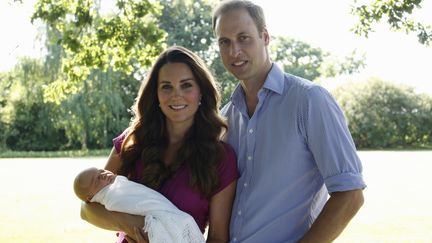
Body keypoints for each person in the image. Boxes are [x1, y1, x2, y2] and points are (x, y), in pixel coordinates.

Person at [212, 1, 366, 242]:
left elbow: (350, 195)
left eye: (244, 38)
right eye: (225, 42)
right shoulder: (225, 118)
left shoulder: (309, 100)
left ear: (265, 37)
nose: (234, 51)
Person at [80, 46, 238, 243]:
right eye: (166, 86)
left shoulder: (221, 158)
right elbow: (87, 209)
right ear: (155, 95)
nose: (176, 95)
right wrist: (134, 226)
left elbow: (217, 238)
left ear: (201, 93)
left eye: (186, 85)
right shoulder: (132, 141)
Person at [73, 167, 205, 243]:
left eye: (101, 171)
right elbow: (84, 211)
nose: (103, 175)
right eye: (96, 179)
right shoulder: (111, 197)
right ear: (90, 197)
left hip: (171, 216)